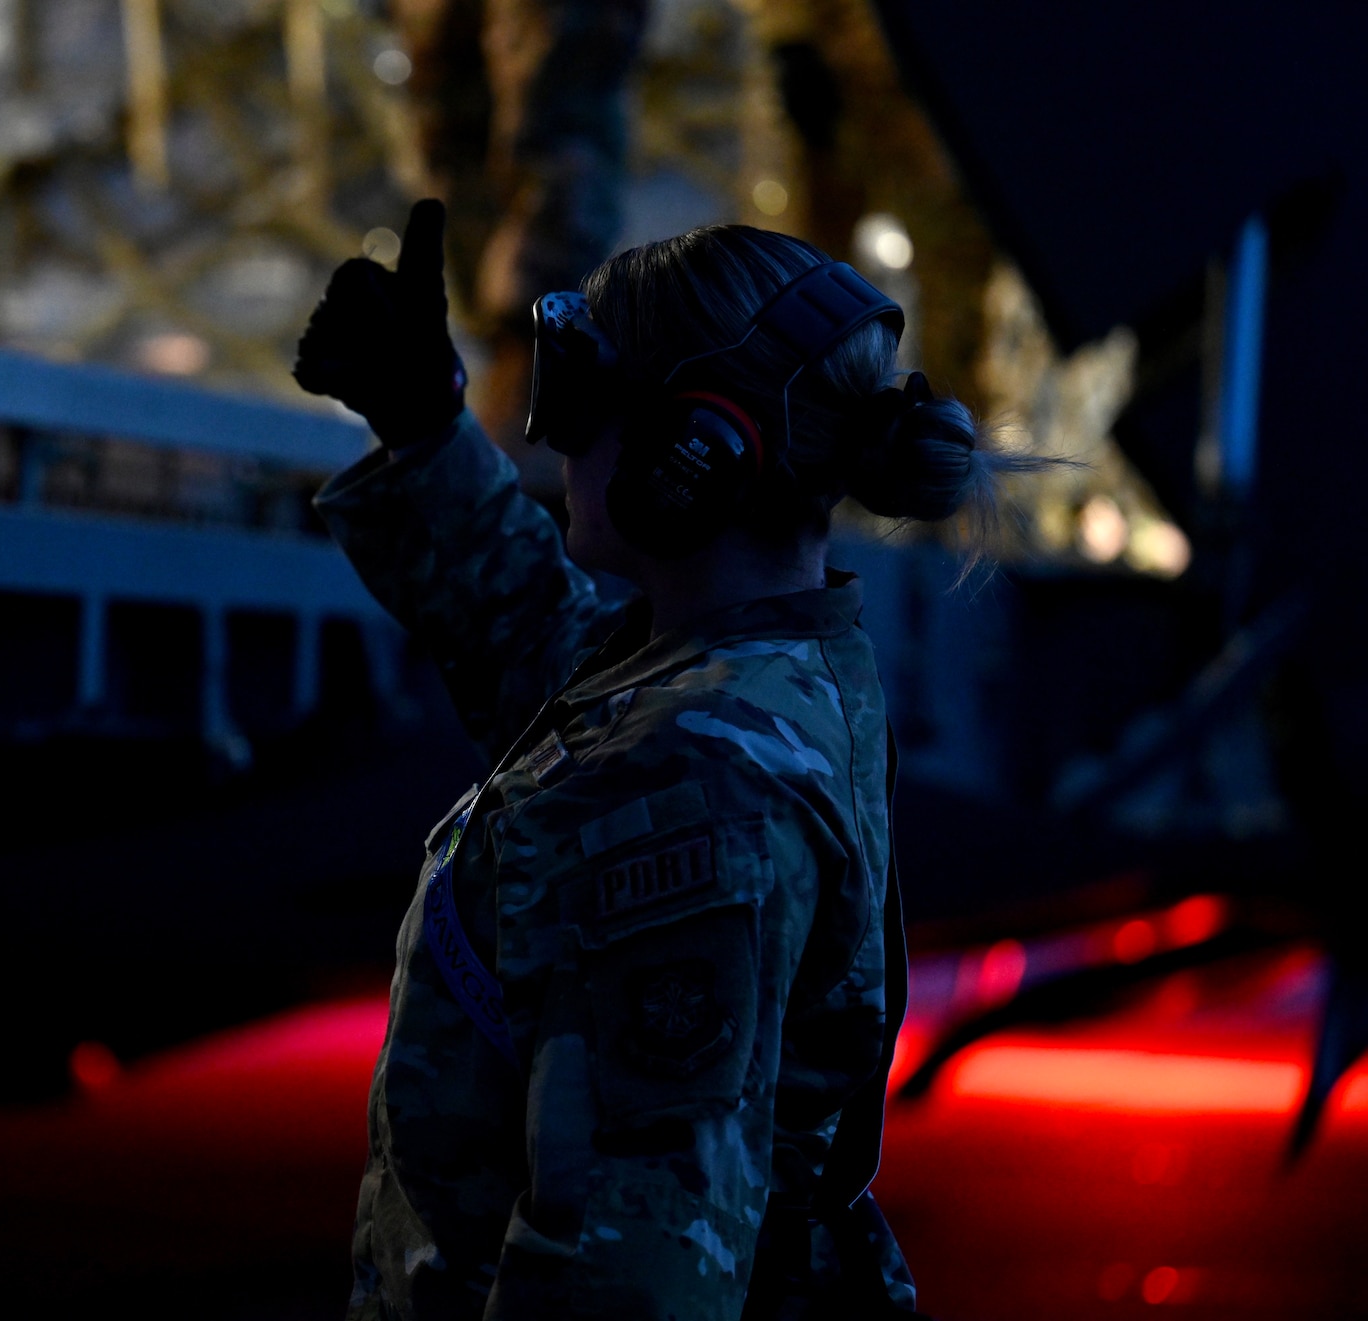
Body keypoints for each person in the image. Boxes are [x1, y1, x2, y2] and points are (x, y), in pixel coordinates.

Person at [294, 199, 1009, 1319]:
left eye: (579, 397)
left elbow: (627, 1272)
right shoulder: (743, 670)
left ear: (696, 453)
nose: (551, 434)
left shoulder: (695, 787)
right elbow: (546, 653)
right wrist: (422, 424)